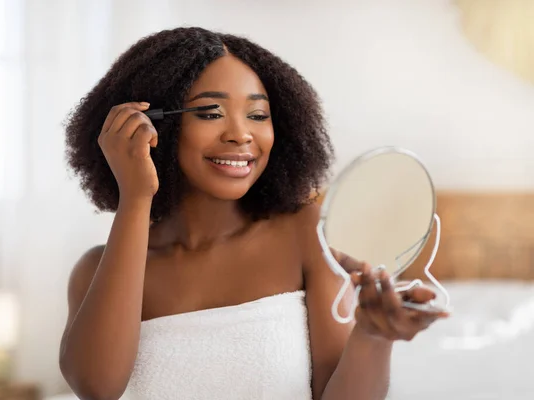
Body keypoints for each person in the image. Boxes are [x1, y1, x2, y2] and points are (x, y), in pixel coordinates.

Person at [59, 27, 448, 400]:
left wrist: (373, 336)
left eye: (258, 115)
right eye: (210, 113)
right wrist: (135, 197)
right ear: (148, 128)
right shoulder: (96, 271)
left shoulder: (305, 233)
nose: (240, 134)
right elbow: (98, 388)